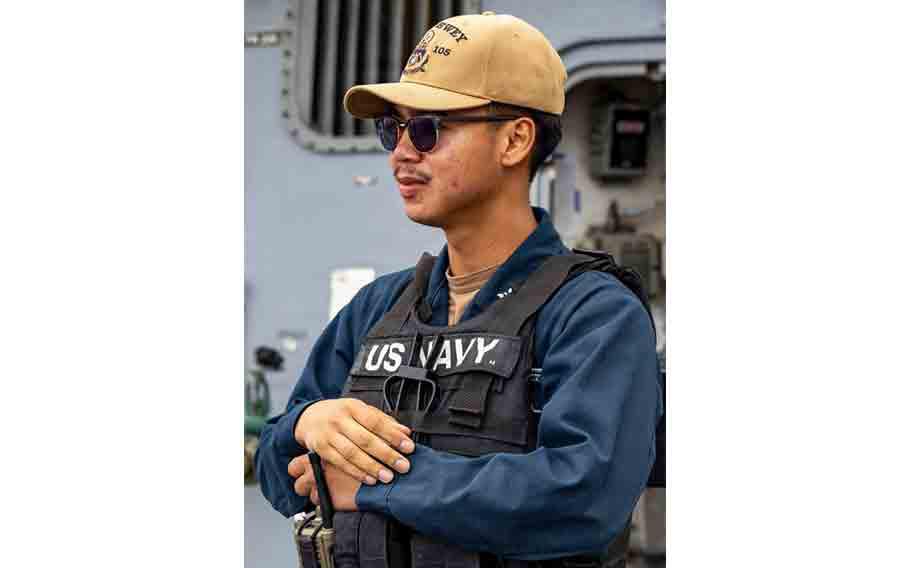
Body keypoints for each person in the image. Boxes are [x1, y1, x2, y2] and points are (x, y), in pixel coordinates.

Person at [256, 11, 663, 567]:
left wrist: (379, 485)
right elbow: (279, 473)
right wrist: (306, 424)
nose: (401, 153)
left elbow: (584, 498)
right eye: (392, 129)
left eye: (428, 129)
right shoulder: (377, 309)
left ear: (515, 140)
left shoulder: (593, 316)